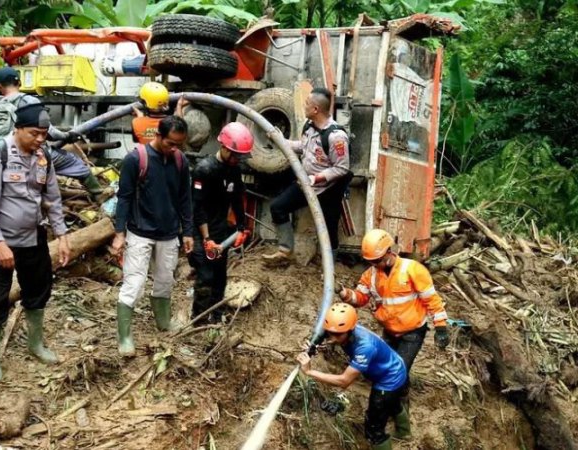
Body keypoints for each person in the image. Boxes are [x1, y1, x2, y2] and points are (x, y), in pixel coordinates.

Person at [0, 103, 71, 382]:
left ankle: (35, 344)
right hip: (0, 240)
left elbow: (52, 200)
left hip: (33, 237)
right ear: (17, 129)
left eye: (44, 134)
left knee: (38, 290)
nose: (40, 139)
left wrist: (62, 236)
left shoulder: (44, 157)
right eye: (34, 133)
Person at [338, 228, 449, 410]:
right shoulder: (371, 275)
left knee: (398, 371)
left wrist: (441, 327)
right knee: (388, 369)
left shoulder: (412, 270)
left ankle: (400, 405)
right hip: (389, 331)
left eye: (378, 260)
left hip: (412, 333)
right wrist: (346, 294)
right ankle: (396, 400)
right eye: (372, 262)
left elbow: (432, 300)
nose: (376, 265)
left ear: (389, 252)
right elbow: (361, 298)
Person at [110, 116, 193, 357]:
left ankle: (163, 322)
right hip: (140, 232)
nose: (174, 148)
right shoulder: (137, 159)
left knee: (165, 280)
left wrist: (187, 231)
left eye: (179, 144)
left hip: (168, 233)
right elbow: (124, 197)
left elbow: (185, 198)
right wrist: (119, 233)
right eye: (170, 143)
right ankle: (124, 336)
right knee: (134, 284)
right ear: (158, 136)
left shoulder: (180, 161)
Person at [297, 303, 410, 450]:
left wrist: (309, 372)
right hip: (393, 366)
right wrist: (312, 345)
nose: (333, 337)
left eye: (338, 334)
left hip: (390, 378)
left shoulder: (365, 346)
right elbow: (326, 333)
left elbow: (344, 381)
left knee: (373, 427)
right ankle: (405, 433)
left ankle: (394, 436)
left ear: (350, 330)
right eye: (330, 332)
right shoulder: (338, 329)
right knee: (392, 403)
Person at [262, 87, 352, 263]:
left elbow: (342, 169)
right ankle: (285, 252)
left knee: (328, 228)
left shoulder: (336, 136)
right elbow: (304, 148)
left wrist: (316, 178)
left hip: (327, 189)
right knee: (278, 208)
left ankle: (329, 266)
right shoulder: (309, 127)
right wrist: (282, 141)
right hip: (305, 183)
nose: (304, 106)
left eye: (307, 104)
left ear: (316, 109)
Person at [0, 67, 105, 203]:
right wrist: (67, 136)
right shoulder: (29, 102)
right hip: (32, 156)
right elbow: (48, 131)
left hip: (3, 155)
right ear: (19, 83)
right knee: (74, 163)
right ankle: (99, 195)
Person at [189, 122, 253, 323]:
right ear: (223, 147)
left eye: (239, 156)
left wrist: (242, 226)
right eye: (234, 155)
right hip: (201, 231)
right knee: (205, 277)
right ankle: (197, 321)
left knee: (219, 277)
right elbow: (197, 208)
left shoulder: (233, 169)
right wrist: (206, 238)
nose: (237, 159)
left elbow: (237, 198)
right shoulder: (204, 170)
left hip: (221, 229)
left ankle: (216, 316)